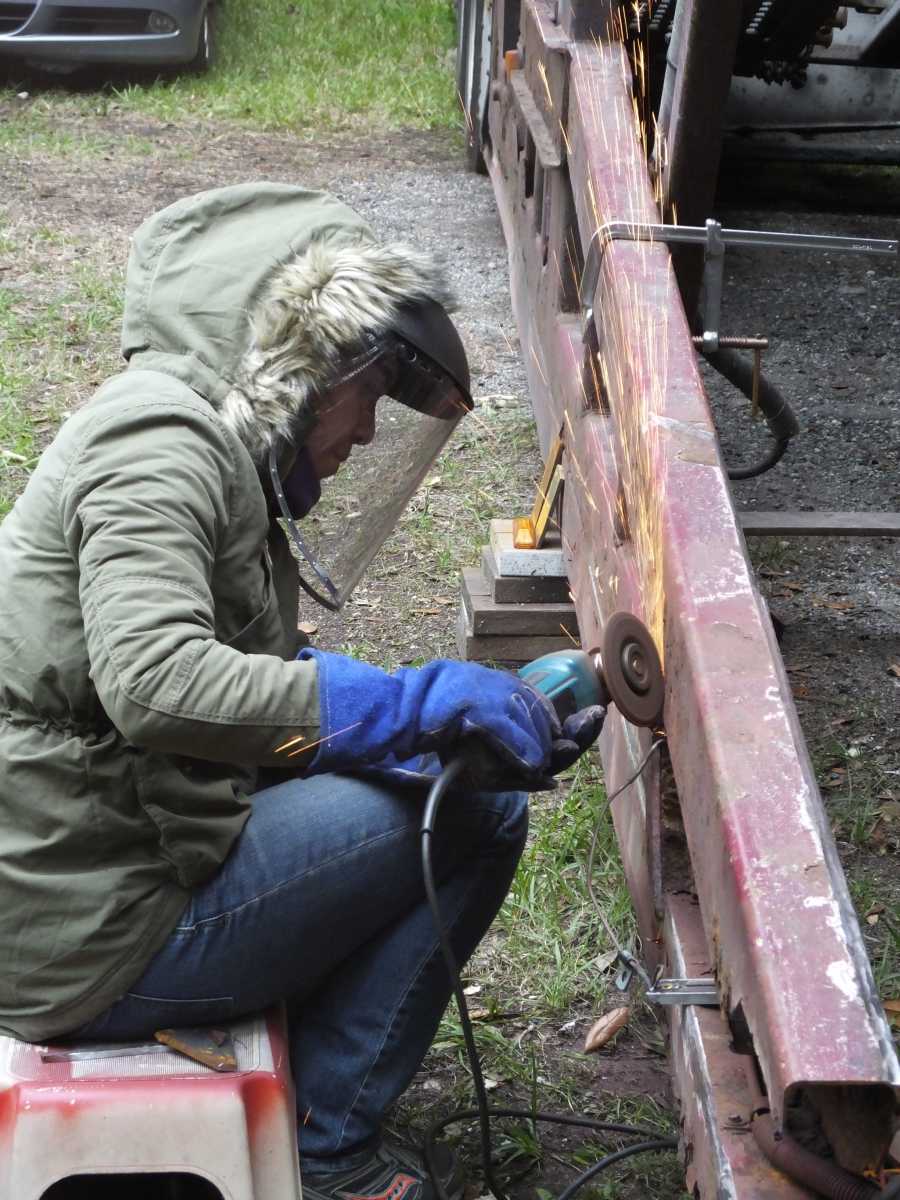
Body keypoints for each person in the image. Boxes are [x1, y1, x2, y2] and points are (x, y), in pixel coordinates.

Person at [0, 183, 604, 1200]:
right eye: (370, 394)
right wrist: (406, 709)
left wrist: (401, 728)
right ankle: (325, 1147)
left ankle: (312, 1094)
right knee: (480, 811)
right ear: (307, 364)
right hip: (87, 927)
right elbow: (157, 684)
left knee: (435, 771)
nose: (370, 433)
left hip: (105, 856)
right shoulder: (159, 444)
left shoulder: (191, 438)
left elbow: (228, 694)